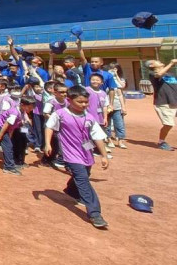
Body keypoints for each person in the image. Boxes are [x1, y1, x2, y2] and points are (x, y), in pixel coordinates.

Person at [44, 85, 110, 229]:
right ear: (69, 100)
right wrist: (48, 144)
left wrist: (104, 156)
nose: (84, 105)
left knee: (85, 174)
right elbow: (49, 126)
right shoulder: (60, 114)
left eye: (86, 102)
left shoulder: (89, 117)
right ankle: (95, 213)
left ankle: (71, 190)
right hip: (70, 154)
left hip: (86, 153)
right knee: (84, 181)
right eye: (80, 102)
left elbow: (97, 137)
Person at [146, 58, 177, 151]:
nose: (160, 61)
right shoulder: (152, 74)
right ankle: (161, 142)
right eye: (157, 61)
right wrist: (171, 63)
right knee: (168, 124)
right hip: (164, 103)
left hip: (175, 101)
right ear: (151, 65)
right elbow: (159, 74)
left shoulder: (170, 74)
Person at [106, 62, 127, 149]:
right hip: (107, 106)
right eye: (111, 69)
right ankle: (109, 140)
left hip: (117, 106)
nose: (112, 70)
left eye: (114, 68)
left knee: (119, 124)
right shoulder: (105, 80)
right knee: (107, 124)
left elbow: (121, 90)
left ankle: (120, 141)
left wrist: (123, 107)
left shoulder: (119, 80)